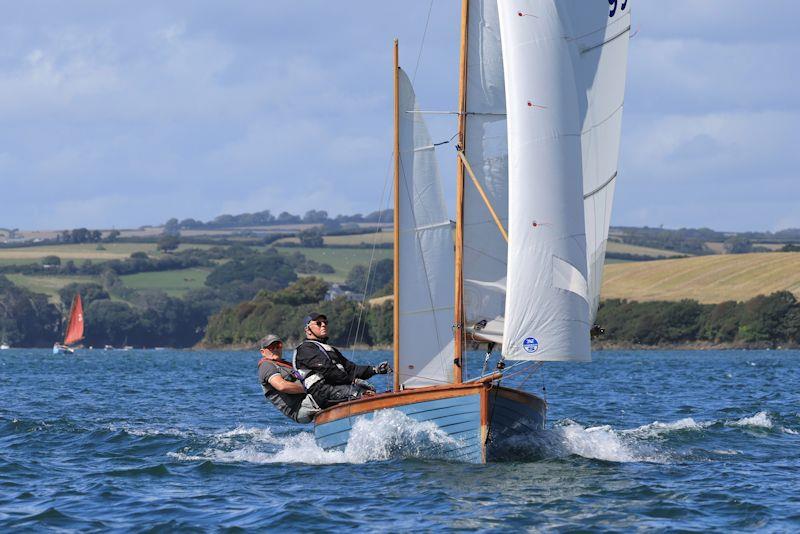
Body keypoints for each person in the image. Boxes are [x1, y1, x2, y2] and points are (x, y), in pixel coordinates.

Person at [293, 312, 391, 409]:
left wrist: (375, 370)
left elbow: (352, 369)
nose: (323, 325)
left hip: (337, 388)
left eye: (325, 323)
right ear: (307, 330)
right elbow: (328, 370)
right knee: (362, 394)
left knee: (369, 390)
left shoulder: (330, 350)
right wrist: (354, 381)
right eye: (318, 323)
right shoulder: (305, 349)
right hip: (322, 393)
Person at [257, 334, 319, 423]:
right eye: (271, 347)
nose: (275, 349)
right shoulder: (266, 366)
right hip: (300, 408)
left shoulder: (286, 365)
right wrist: (310, 388)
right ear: (263, 352)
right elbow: (282, 386)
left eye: (278, 346)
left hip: (308, 401)